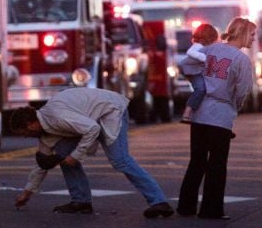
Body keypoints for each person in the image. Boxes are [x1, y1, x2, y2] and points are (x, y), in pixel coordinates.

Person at [10, 88, 174, 218]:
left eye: (24, 132)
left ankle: (159, 202)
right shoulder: (45, 133)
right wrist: (27, 193)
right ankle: (81, 201)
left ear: (30, 124)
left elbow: (92, 128)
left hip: (110, 111)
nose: (25, 136)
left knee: (120, 160)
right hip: (89, 119)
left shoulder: (58, 117)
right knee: (61, 155)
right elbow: (43, 165)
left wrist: (75, 156)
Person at [176, 17, 256, 220]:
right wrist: (235, 107)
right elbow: (242, 91)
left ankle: (186, 206)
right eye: (252, 34)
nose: (254, 39)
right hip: (220, 114)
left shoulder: (209, 50)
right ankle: (211, 209)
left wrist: (199, 86)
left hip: (200, 113)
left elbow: (186, 64)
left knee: (197, 161)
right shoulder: (242, 60)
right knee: (217, 164)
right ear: (244, 33)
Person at [180, 23, 220, 123]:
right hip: (192, 71)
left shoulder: (206, 47)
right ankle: (187, 113)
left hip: (197, 71)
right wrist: (205, 59)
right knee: (201, 89)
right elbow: (190, 52)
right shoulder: (197, 46)